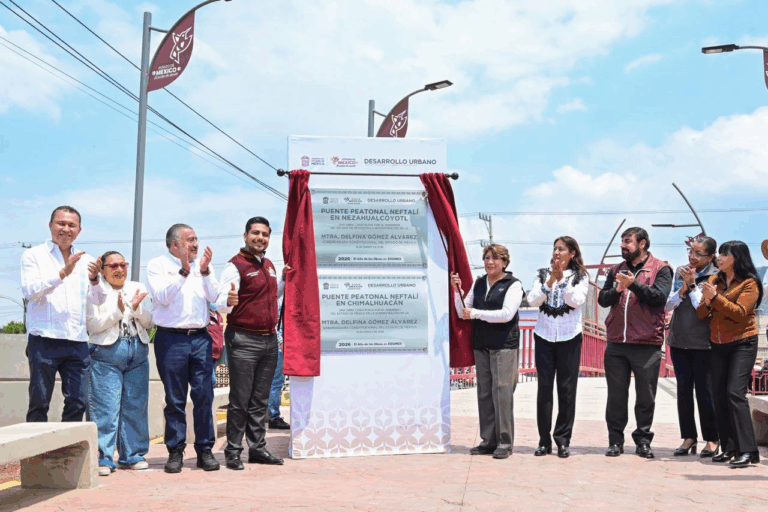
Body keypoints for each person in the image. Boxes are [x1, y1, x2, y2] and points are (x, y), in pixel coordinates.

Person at [20, 206, 106, 422]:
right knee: (39, 402)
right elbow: (30, 292)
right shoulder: (33, 255)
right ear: (51, 225)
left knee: (78, 401)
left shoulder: (87, 260)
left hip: (77, 341)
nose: (66, 229)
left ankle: (68, 444)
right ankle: (38, 444)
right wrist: (62, 274)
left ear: (79, 230)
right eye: (61, 223)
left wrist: (95, 280)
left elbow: (98, 301)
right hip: (44, 340)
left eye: (71, 225)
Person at [147, 223, 220, 474]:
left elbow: (215, 297)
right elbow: (162, 297)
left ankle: (205, 450)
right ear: (174, 244)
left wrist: (205, 272)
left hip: (200, 338)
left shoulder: (203, 266)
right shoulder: (157, 265)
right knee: (175, 399)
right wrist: (184, 271)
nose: (196, 244)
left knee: (204, 396)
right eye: (190, 240)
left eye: (196, 239)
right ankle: (175, 451)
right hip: (171, 339)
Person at [216, 217, 288, 470]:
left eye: (265, 234)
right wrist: (228, 300)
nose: (260, 238)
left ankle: (257, 449)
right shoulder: (234, 265)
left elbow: (270, 296)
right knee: (240, 400)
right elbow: (220, 302)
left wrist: (282, 280)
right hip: (243, 339)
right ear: (245, 235)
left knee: (260, 400)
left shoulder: (269, 265)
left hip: (269, 340)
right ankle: (233, 451)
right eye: (255, 233)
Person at [598, 227, 672, 459]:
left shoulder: (661, 268)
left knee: (645, 397)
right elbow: (603, 300)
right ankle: (615, 441)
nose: (623, 245)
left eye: (628, 241)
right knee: (616, 396)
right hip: (616, 343)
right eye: (622, 241)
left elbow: (659, 298)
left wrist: (633, 285)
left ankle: (643, 441)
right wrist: (618, 289)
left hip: (647, 343)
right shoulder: (615, 270)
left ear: (642, 244)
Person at [451, 244, 524, 460]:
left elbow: (506, 314)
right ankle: (488, 441)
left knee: (502, 393)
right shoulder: (479, 282)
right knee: (484, 393)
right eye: (487, 258)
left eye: (495, 258)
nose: (490, 262)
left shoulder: (513, 285)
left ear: (505, 262)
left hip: (504, 345)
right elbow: (463, 311)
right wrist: (457, 291)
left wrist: (475, 313)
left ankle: (504, 442)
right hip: (481, 344)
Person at [696, 240, 763, 467]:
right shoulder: (714, 281)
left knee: (735, 393)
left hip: (743, 342)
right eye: (720, 254)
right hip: (718, 344)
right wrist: (708, 299)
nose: (719, 258)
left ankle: (749, 451)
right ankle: (729, 448)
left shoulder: (749, 283)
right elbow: (701, 313)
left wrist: (715, 298)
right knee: (719, 395)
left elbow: (740, 313)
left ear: (737, 258)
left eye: (725, 254)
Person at [86, 251, 152, 476]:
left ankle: (132, 455)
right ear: (102, 269)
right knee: (105, 407)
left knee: (136, 406)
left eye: (123, 265)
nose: (119, 270)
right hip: (106, 352)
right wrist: (119, 312)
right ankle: (103, 457)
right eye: (113, 266)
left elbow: (149, 321)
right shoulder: (95, 290)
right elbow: (93, 326)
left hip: (137, 350)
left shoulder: (137, 287)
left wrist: (135, 308)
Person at [526, 236, 589, 459]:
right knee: (544, 389)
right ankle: (543, 441)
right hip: (544, 336)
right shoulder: (542, 274)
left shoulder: (581, 276)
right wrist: (551, 281)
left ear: (572, 253)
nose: (556, 252)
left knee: (567, 390)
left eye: (561, 249)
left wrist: (562, 282)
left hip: (569, 337)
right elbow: (532, 300)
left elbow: (575, 301)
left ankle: (563, 440)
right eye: (555, 248)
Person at [665, 237, 719, 458]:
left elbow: (705, 308)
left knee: (705, 393)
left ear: (711, 256)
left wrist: (694, 285)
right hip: (679, 340)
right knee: (684, 392)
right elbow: (668, 304)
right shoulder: (681, 272)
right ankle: (688, 437)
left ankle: (712, 438)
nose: (692, 257)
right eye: (690, 251)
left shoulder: (716, 275)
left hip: (704, 343)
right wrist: (683, 288)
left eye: (698, 253)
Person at [268, 299, 290, 430]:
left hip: (275, 345)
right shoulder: (280, 299)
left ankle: (272, 416)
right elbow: (276, 324)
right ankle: (274, 417)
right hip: (278, 347)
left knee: (274, 383)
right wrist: (281, 343)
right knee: (276, 383)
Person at [208, 305, 225, 388]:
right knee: (212, 380)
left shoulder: (219, 317)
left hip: (217, 351)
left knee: (210, 377)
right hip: (208, 350)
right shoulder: (206, 316)